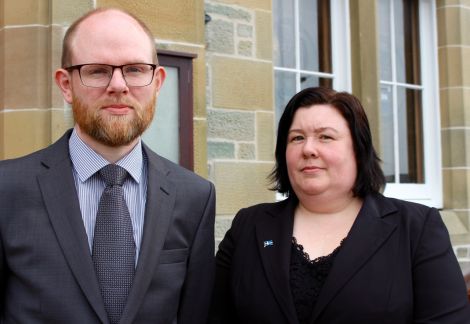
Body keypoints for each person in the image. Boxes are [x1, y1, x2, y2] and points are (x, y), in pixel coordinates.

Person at [0, 8, 215, 324]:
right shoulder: (7, 190)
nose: (118, 85)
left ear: (157, 82)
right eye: (97, 70)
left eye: (135, 69)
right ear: (66, 85)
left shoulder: (195, 197)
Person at [209, 87, 470, 323]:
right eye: (297, 138)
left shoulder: (416, 228)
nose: (308, 149)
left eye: (325, 137)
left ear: (358, 149)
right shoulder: (249, 226)